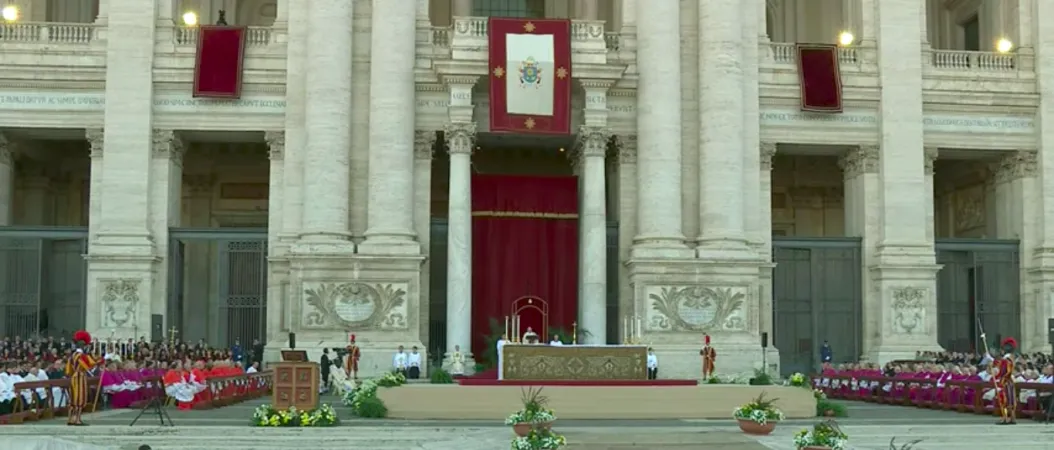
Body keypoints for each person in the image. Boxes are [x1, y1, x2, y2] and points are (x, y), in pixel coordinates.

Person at [65, 330, 100, 426]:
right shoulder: (82, 356)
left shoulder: (72, 355)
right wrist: (100, 360)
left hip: (73, 377)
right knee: (80, 398)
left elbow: (68, 370)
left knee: (73, 398)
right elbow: (89, 366)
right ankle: (77, 419)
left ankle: (71, 418)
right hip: (80, 377)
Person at [982, 335, 1018, 425]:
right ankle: (1012, 417)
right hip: (1008, 381)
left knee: (1005, 400)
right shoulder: (1009, 358)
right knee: (1010, 400)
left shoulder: (1007, 358)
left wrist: (991, 360)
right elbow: (1000, 364)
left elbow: (1002, 369)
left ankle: (1005, 418)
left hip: (1005, 381)